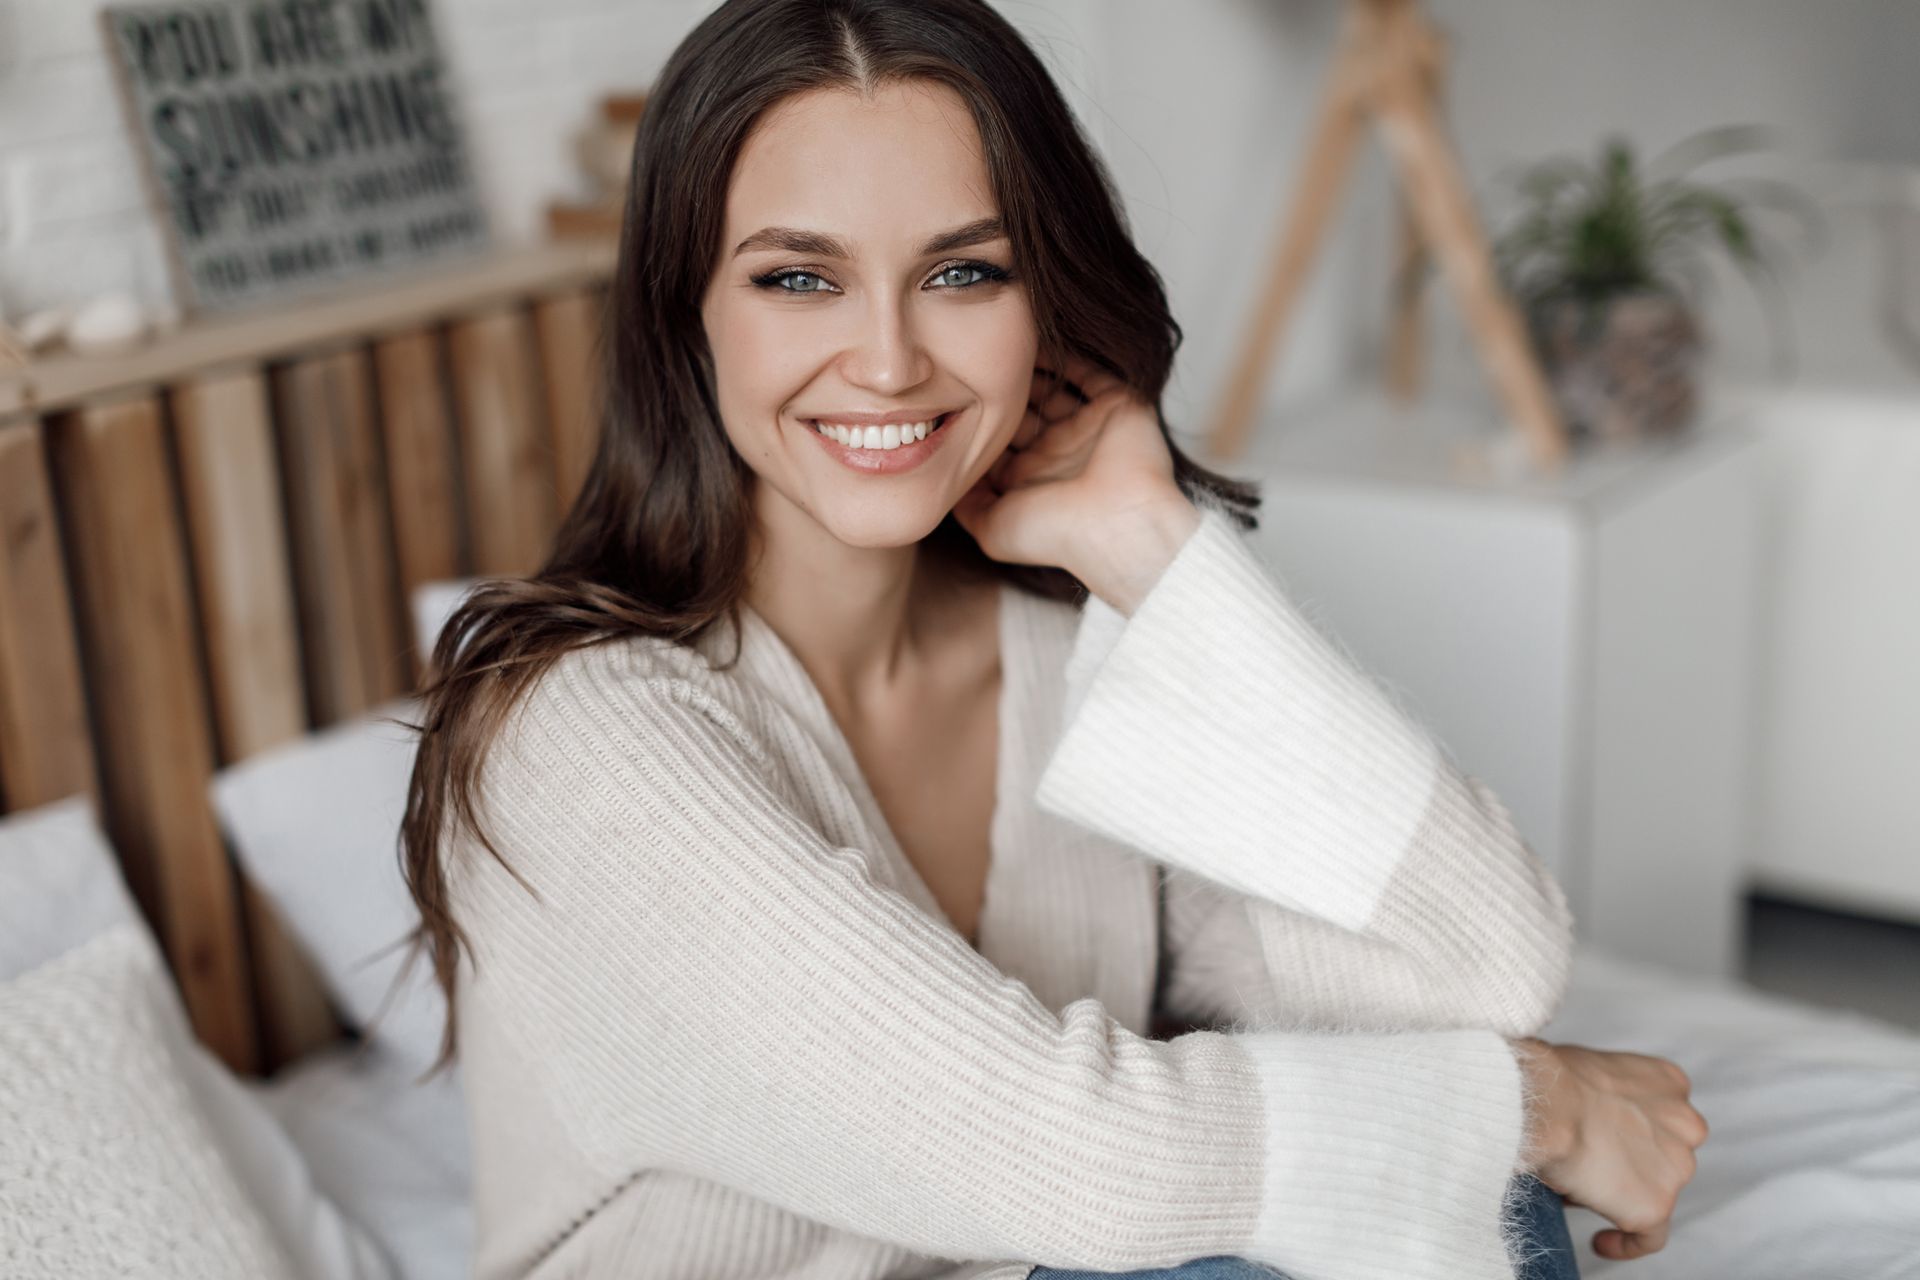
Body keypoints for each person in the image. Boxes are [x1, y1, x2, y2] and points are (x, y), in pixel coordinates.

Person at [394, 1, 1708, 1277]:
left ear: (1046, 303)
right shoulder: (581, 741)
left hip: (1039, 1262)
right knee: (1446, 1175)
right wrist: (1537, 1108)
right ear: (688, 312)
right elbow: (1082, 1153)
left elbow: (1479, 972)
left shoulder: (1069, 652)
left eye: (963, 273)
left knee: (1460, 1195)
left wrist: (1152, 550)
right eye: (799, 279)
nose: (889, 361)